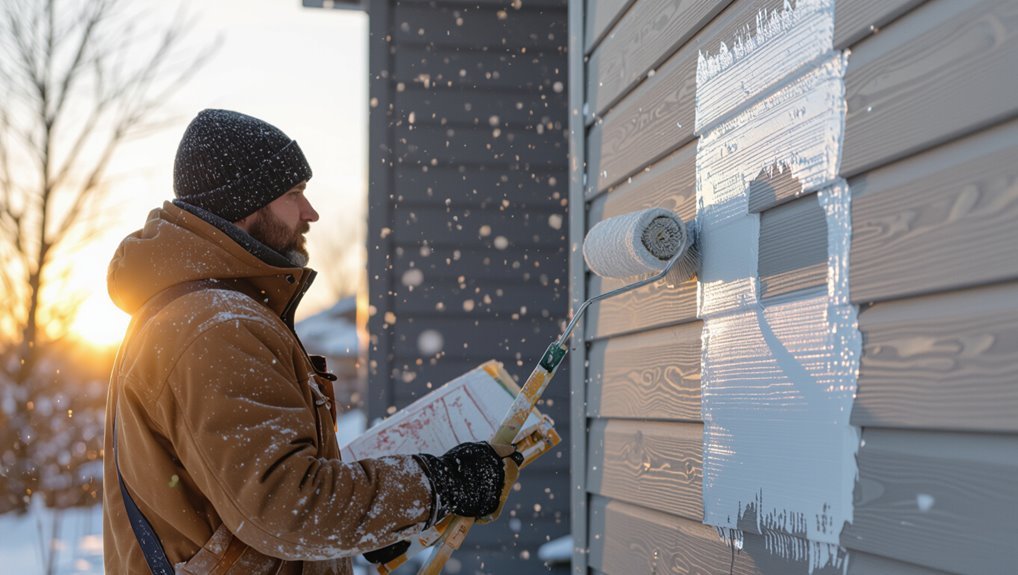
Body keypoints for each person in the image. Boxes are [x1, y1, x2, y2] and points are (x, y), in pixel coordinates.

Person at [103, 109, 521, 574]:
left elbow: (248, 507)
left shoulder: (203, 313)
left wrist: (369, 527)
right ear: (245, 203)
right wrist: (437, 486)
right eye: (293, 193)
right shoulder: (215, 327)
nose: (310, 212)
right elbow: (286, 504)